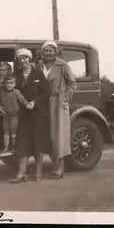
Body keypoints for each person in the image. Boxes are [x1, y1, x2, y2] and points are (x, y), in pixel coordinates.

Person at [9, 48, 51, 183]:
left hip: (38, 114)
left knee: (38, 143)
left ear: (29, 59)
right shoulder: (16, 75)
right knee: (23, 143)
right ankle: (21, 173)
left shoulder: (38, 74)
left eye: (25, 58)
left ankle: (38, 172)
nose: (23, 61)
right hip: (23, 115)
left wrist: (35, 102)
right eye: (20, 59)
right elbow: (11, 91)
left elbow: (45, 92)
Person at [39, 41, 77, 179]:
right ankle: (53, 166)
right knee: (49, 136)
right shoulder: (39, 66)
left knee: (59, 135)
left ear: (55, 52)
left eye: (51, 50)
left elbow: (72, 83)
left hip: (58, 102)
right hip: (44, 102)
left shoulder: (62, 65)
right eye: (46, 50)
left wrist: (65, 97)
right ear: (42, 52)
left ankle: (60, 168)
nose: (48, 53)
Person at [0, 75, 30, 152]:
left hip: (14, 116)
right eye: (7, 83)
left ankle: (14, 147)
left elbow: (22, 100)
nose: (9, 85)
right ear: (4, 84)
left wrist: (27, 105)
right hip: (5, 116)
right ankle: (6, 148)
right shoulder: (2, 92)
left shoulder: (16, 92)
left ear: (14, 84)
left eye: (11, 83)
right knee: (6, 131)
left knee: (13, 132)